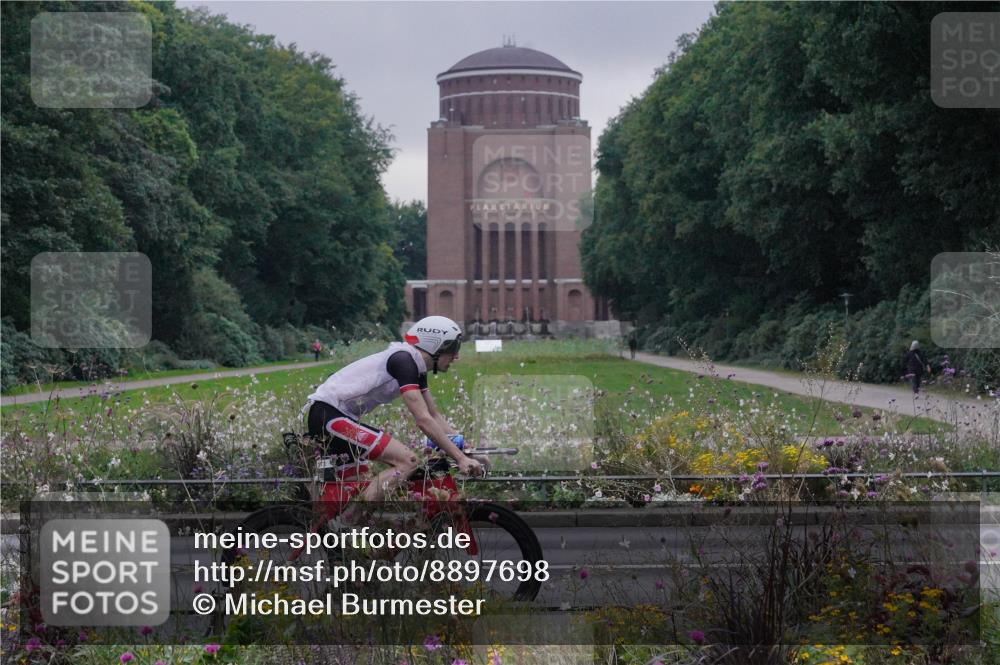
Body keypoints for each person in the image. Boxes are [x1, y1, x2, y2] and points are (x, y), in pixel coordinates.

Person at [304, 316, 482, 503]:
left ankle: (346, 527)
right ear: (435, 346)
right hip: (328, 416)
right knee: (408, 461)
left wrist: (465, 449)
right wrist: (460, 458)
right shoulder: (403, 361)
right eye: (453, 349)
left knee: (360, 488)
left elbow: (433, 414)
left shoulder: (416, 367)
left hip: (337, 418)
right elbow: (423, 419)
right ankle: (347, 520)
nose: (456, 356)